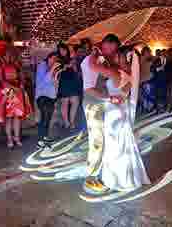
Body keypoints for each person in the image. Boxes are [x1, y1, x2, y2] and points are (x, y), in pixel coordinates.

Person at [101, 48, 151, 191]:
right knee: (120, 143)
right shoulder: (129, 74)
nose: (114, 58)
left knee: (115, 143)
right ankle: (122, 175)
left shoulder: (117, 73)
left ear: (122, 58)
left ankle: (118, 177)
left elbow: (120, 93)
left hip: (115, 111)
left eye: (117, 56)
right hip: (119, 109)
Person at [81, 34, 124, 191]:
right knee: (97, 141)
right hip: (93, 105)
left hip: (101, 104)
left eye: (113, 51)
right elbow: (89, 89)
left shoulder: (102, 60)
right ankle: (90, 178)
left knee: (103, 139)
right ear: (104, 45)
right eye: (109, 49)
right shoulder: (89, 62)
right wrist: (110, 98)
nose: (111, 53)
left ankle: (99, 170)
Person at [0, 49, 32, 148]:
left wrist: (22, 84)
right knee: (8, 118)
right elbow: (1, 80)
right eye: (6, 55)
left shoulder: (15, 64)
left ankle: (17, 138)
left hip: (17, 92)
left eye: (10, 55)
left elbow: (21, 76)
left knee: (17, 117)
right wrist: (14, 88)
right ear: (2, 56)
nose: (9, 57)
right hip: (7, 92)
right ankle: (9, 139)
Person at [35, 52, 59, 148]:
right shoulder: (42, 66)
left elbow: (55, 82)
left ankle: (44, 137)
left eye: (56, 59)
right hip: (42, 96)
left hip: (51, 96)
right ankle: (40, 141)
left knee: (48, 118)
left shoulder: (55, 68)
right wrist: (52, 69)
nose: (54, 60)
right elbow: (43, 81)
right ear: (48, 58)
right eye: (53, 58)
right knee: (44, 118)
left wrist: (56, 91)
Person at [57, 43, 81, 130]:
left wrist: (74, 66)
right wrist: (64, 67)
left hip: (72, 81)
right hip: (64, 81)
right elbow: (56, 72)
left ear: (66, 50)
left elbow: (76, 72)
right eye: (60, 50)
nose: (62, 52)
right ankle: (67, 122)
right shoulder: (58, 60)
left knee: (75, 101)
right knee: (65, 103)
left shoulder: (72, 59)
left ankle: (72, 121)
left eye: (63, 50)